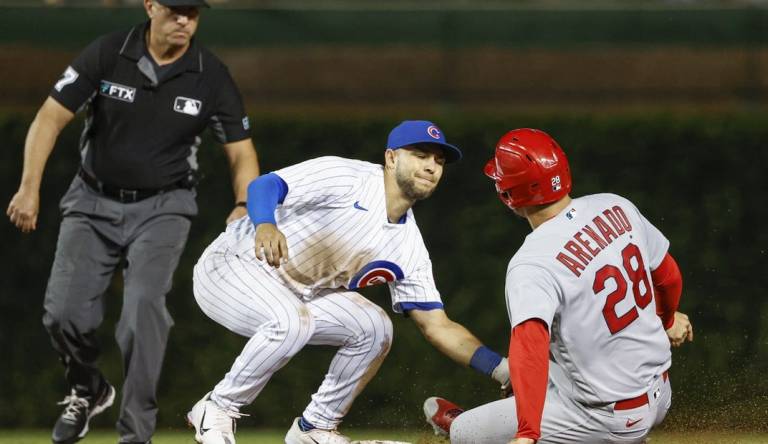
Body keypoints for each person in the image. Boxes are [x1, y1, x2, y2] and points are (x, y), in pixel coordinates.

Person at [5, 1, 260, 443]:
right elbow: (50, 117)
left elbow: (242, 151)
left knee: (143, 312)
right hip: (91, 200)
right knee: (62, 315)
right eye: (175, 9)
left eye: (193, 12)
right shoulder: (108, 53)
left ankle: (135, 434)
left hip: (164, 208)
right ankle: (88, 390)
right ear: (151, 6)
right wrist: (29, 187)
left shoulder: (210, 73)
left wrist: (243, 203)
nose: (184, 19)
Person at [187, 120, 510, 444]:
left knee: (374, 328)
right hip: (229, 266)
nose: (431, 166)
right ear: (391, 157)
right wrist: (266, 224)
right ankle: (217, 407)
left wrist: (501, 368)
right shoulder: (347, 177)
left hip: (296, 292)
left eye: (439, 161)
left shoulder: (408, 246)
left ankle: (313, 430)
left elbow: (438, 326)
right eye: (421, 154)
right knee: (290, 322)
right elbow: (265, 186)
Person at [423, 128, 693, 444]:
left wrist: (527, 433)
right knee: (554, 361)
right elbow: (669, 275)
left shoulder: (532, 262)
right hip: (661, 392)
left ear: (507, 195)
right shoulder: (615, 205)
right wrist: (668, 319)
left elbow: (529, 347)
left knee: (466, 433)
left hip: (606, 418)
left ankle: (473, 429)